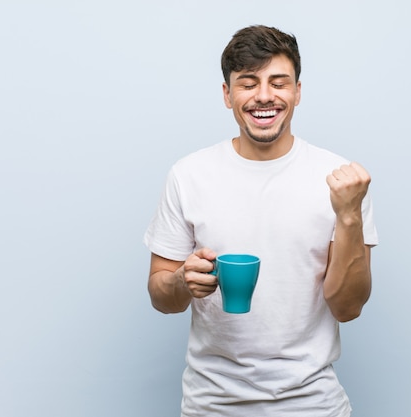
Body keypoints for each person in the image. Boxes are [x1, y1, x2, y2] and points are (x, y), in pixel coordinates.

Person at [143, 24, 378, 417]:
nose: (264, 96)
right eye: (248, 83)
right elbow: (160, 297)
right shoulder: (189, 174)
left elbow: (347, 307)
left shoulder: (340, 180)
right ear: (227, 94)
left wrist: (349, 215)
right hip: (211, 405)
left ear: (298, 92)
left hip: (312, 406)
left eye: (279, 82)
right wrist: (182, 281)